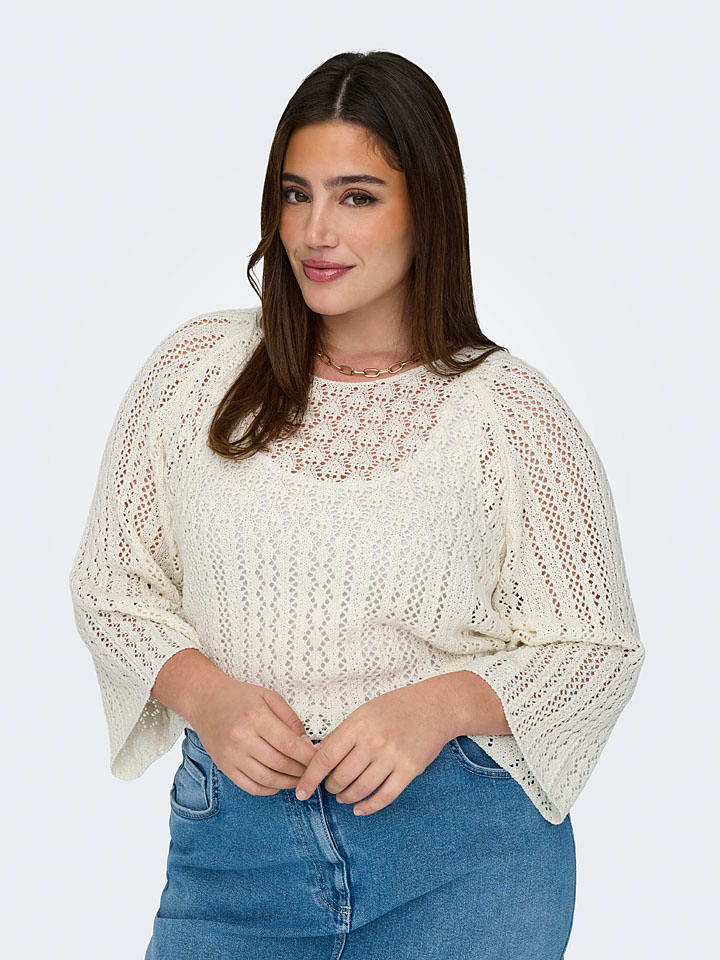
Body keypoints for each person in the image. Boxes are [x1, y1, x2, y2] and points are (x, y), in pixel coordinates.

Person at [68, 51, 645, 960]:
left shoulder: (510, 413)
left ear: (429, 209)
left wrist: (438, 707)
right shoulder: (195, 374)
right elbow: (111, 585)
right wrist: (205, 694)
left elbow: (596, 650)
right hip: (235, 864)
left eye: (358, 197)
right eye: (296, 194)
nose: (315, 231)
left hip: (462, 859)